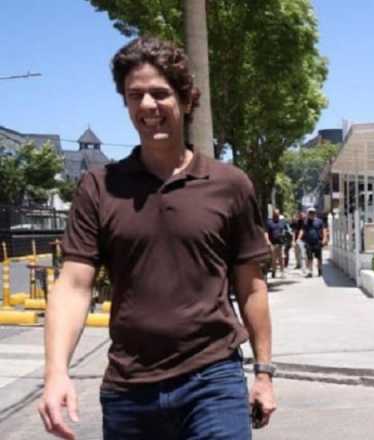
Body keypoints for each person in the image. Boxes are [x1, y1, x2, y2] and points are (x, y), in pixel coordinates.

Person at [38, 36, 276, 439]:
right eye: (135, 95)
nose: (148, 105)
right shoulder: (99, 187)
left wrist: (264, 373)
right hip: (129, 390)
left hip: (212, 381)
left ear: (185, 99)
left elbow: (251, 286)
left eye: (160, 93)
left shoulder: (229, 184)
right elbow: (74, 285)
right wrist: (56, 372)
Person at [298, 207, 327, 277]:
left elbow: (324, 230)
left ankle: (320, 270)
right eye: (310, 213)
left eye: (313, 212)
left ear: (315, 213)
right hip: (308, 242)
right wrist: (298, 238)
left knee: (319, 257)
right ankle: (310, 272)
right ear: (308, 214)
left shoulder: (319, 221)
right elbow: (302, 230)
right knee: (309, 257)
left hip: (317, 241)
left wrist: (325, 239)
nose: (311, 214)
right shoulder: (305, 222)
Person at [265, 209, 289, 278]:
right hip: (272, 243)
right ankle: (274, 271)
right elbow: (266, 232)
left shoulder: (282, 221)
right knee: (273, 258)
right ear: (273, 214)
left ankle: (282, 272)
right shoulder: (269, 222)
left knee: (281, 258)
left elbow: (287, 230)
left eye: (277, 214)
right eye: (275, 214)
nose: (276, 216)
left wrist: (286, 235)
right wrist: (267, 241)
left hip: (281, 243)